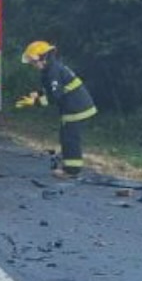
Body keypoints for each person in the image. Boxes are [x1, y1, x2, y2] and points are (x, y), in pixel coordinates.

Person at [16, 40, 97, 179]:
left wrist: (35, 102)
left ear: (44, 57)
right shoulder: (50, 69)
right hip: (73, 108)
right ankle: (70, 167)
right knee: (67, 137)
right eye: (32, 62)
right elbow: (50, 90)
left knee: (70, 139)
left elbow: (54, 97)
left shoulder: (53, 71)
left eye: (35, 61)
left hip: (77, 109)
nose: (34, 65)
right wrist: (37, 94)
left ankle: (71, 171)